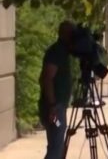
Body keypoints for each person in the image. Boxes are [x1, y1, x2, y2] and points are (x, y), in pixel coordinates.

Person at [39, 20, 75, 159]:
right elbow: (46, 78)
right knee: (56, 146)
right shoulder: (57, 52)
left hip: (56, 108)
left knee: (56, 144)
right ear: (67, 34)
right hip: (54, 110)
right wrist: (53, 106)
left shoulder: (61, 51)